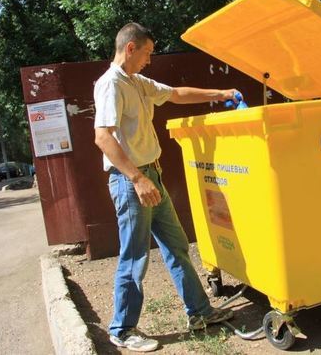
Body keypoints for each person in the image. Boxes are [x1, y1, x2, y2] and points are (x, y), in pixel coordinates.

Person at [94, 22, 237, 352]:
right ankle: (122, 328)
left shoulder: (138, 82)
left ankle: (200, 312)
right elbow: (102, 136)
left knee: (176, 246)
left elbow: (175, 94)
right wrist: (137, 178)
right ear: (130, 49)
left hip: (150, 178)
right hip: (133, 183)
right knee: (134, 259)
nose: (149, 60)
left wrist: (221, 94)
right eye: (147, 53)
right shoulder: (111, 85)